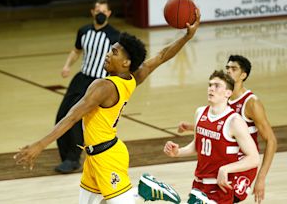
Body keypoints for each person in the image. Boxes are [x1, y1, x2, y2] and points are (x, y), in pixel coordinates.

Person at [14, 10, 200, 203]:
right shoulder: (132, 78)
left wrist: (40, 145)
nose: (108, 54)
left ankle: (145, 190)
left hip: (108, 157)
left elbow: (72, 117)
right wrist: (187, 36)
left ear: (126, 62)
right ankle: (141, 190)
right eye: (111, 50)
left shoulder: (103, 86)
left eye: (114, 52)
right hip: (94, 157)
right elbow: (161, 56)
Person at [178, 55, 277, 203]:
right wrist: (193, 127)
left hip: (243, 163)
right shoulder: (222, 98)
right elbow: (222, 130)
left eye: (234, 69)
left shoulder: (251, 103)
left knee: (224, 197)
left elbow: (271, 141)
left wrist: (261, 178)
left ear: (243, 75)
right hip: (224, 160)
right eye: (227, 68)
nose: (229, 71)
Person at [160, 70, 260, 203]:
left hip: (219, 187)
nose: (211, 88)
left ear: (228, 93)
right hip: (198, 185)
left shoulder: (234, 121)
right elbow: (197, 146)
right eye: (210, 85)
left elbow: (254, 159)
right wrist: (178, 152)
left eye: (217, 86)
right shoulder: (200, 112)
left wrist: (226, 169)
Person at [55, 0, 121, 173]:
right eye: (98, 10)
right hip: (81, 78)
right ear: (92, 12)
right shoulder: (83, 31)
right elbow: (76, 50)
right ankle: (66, 157)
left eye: (104, 11)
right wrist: (67, 65)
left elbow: (120, 60)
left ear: (109, 14)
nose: (100, 13)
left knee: (77, 121)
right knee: (62, 115)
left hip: (98, 83)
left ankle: (73, 158)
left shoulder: (114, 36)